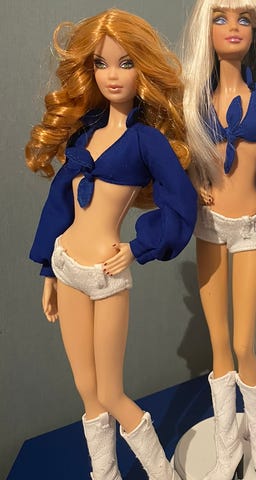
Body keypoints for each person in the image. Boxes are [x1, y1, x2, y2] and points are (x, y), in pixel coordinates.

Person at [26, 9, 196, 480]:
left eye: (125, 63)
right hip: (66, 265)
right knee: (87, 390)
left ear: (143, 68)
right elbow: (60, 202)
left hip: (105, 273)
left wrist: (138, 248)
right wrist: (48, 269)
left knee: (111, 392)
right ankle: (105, 473)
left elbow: (181, 204)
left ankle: (161, 473)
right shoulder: (86, 131)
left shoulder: (146, 142)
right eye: (101, 64)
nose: (112, 75)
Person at [181, 1, 256, 479]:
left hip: (250, 227)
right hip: (208, 227)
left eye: (243, 19)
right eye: (220, 18)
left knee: (244, 344)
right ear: (205, 31)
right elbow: (178, 154)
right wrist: (194, 182)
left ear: (255, 30)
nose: (233, 27)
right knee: (218, 344)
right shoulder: (194, 99)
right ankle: (227, 448)